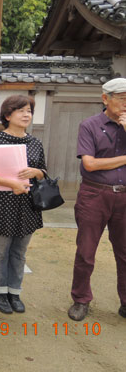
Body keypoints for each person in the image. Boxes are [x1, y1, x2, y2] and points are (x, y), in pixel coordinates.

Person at [0, 95, 46, 314]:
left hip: (28, 205)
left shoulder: (35, 142)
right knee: (0, 251)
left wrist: (36, 172)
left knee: (19, 252)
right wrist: (12, 183)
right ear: (7, 115)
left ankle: (14, 292)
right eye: (21, 110)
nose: (27, 115)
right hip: (2, 204)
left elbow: (44, 172)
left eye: (29, 111)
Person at [67, 77, 126, 322]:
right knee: (86, 250)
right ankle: (81, 299)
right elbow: (89, 164)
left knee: (125, 252)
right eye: (122, 99)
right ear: (105, 99)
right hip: (95, 194)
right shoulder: (89, 125)